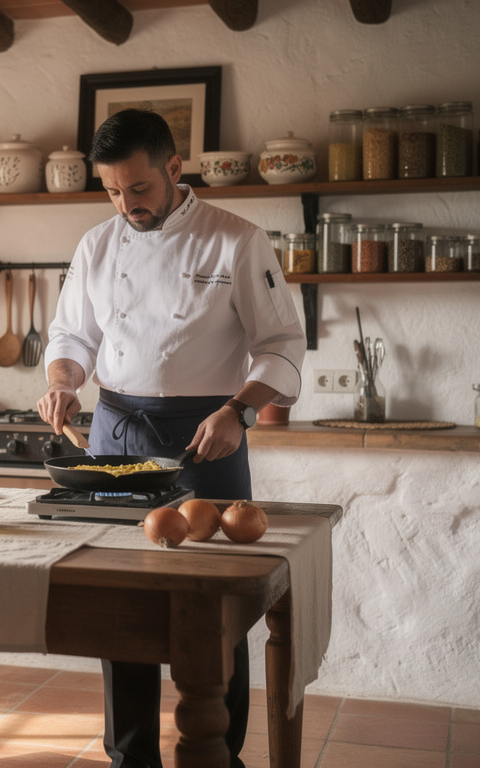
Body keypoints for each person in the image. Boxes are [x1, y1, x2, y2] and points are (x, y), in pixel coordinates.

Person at [37, 108, 306, 768]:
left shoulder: (237, 241)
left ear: (174, 169)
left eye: (139, 189)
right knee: (118, 597)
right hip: (116, 428)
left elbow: (283, 345)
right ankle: (130, 752)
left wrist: (238, 412)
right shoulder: (97, 246)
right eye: (111, 191)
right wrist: (66, 380)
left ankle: (220, 752)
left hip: (206, 435)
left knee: (214, 601)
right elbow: (73, 337)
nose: (125, 204)